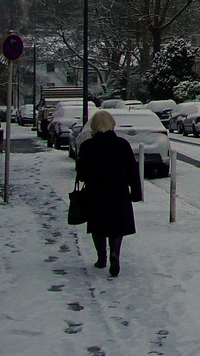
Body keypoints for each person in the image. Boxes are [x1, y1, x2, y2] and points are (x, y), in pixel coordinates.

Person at [74, 109, 142, 276]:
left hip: (95, 192)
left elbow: (81, 174)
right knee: (117, 225)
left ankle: (101, 258)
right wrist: (136, 192)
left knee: (98, 225)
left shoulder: (87, 146)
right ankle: (115, 253)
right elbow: (133, 171)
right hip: (118, 191)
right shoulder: (122, 145)